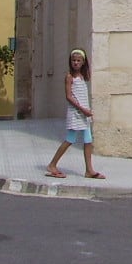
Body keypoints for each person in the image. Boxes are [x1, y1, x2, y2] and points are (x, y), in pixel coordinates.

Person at [45, 48, 104, 179]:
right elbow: (69, 97)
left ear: (83, 62)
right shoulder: (69, 77)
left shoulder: (82, 77)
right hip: (76, 113)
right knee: (70, 139)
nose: (76, 63)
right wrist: (82, 110)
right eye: (73, 60)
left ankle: (89, 170)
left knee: (88, 140)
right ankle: (52, 164)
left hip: (84, 115)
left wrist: (87, 111)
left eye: (78, 60)